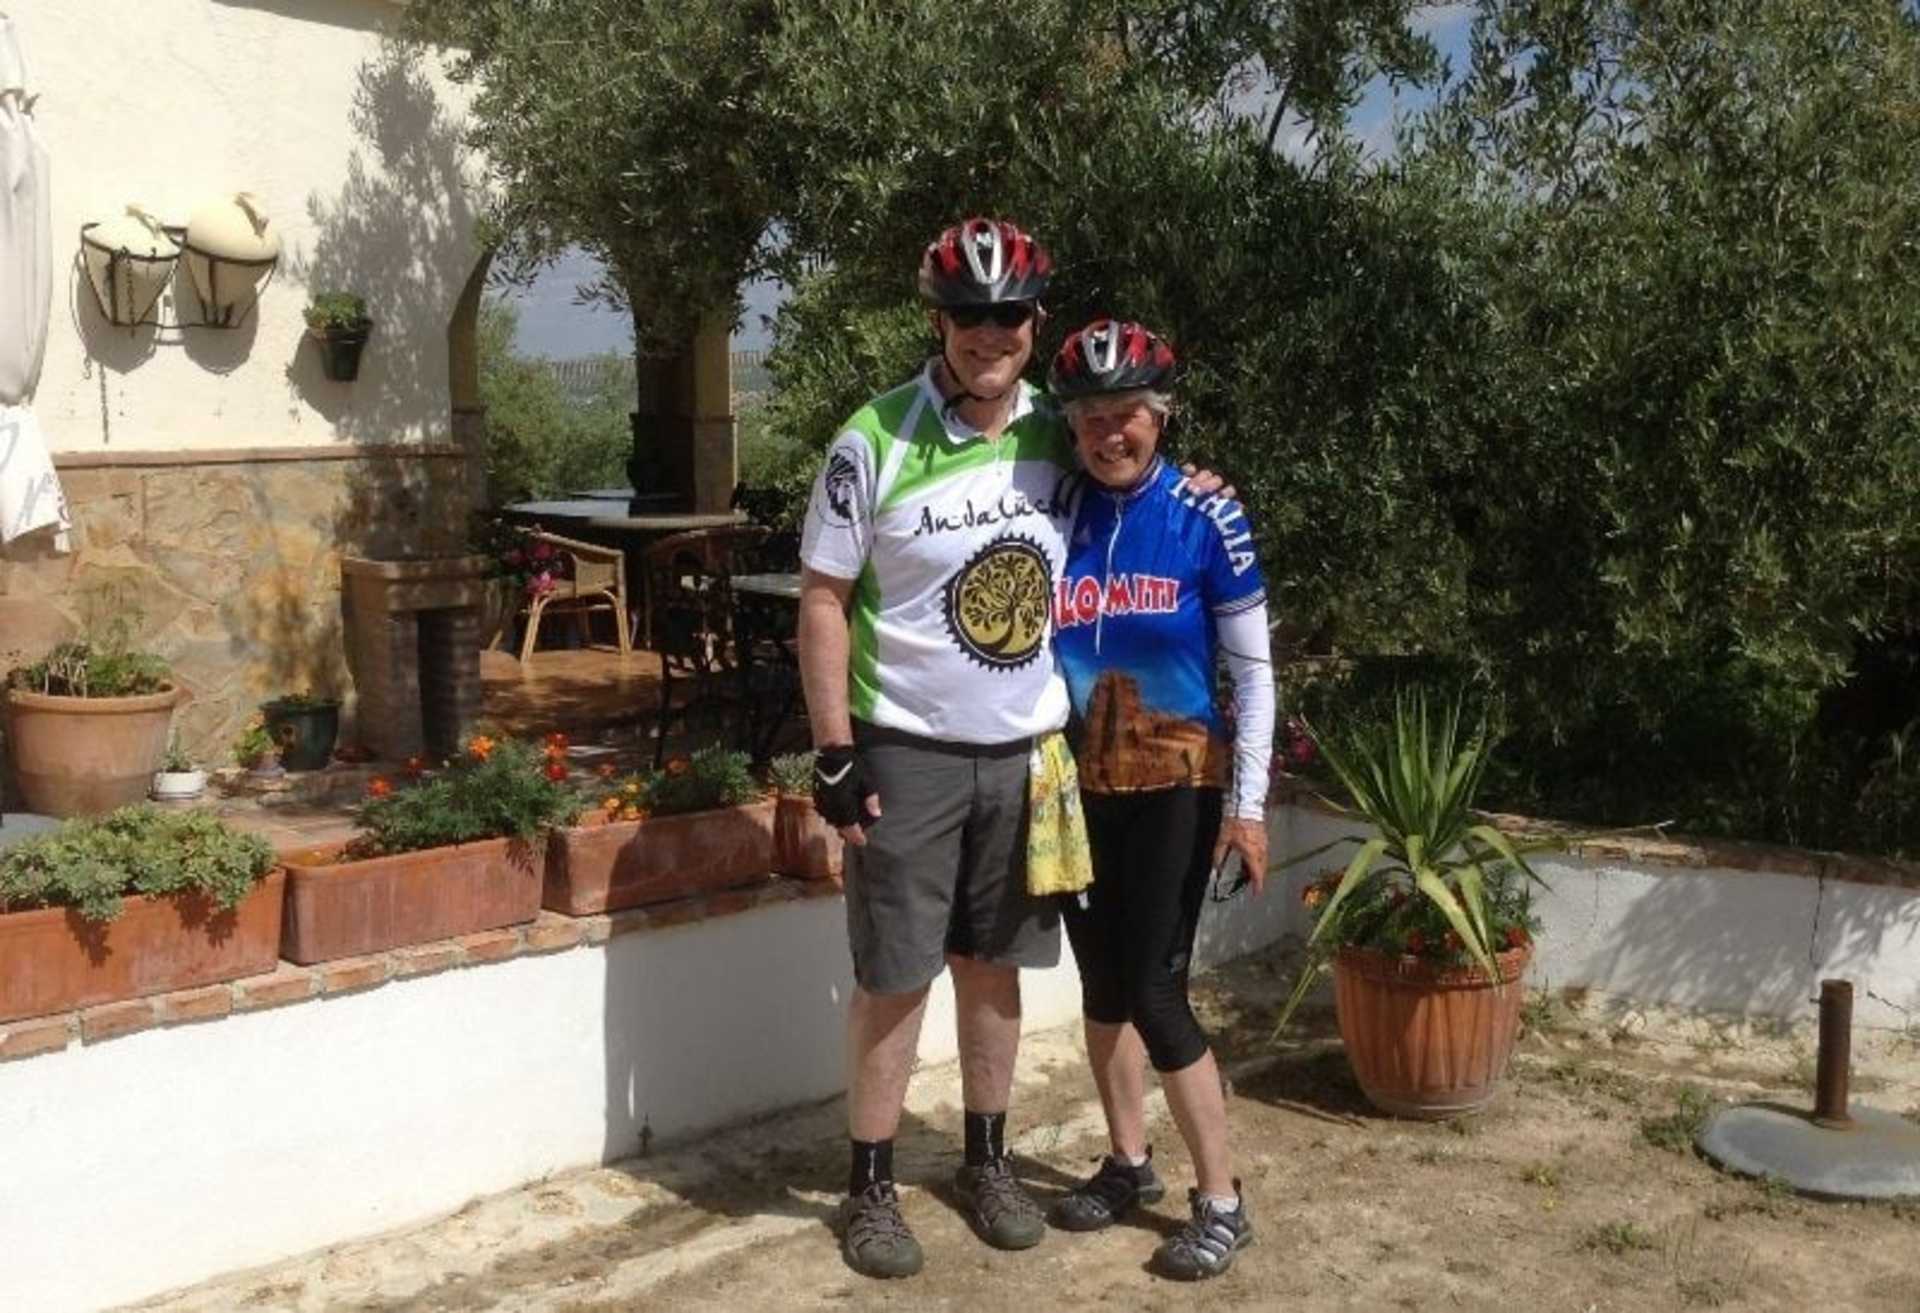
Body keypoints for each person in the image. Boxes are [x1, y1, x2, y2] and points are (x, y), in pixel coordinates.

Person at [796, 217, 1076, 1280]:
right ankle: (867, 1184)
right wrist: (833, 750)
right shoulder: (874, 435)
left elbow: (1144, 490)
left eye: (1007, 314)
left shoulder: (1064, 430)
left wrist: (1209, 494)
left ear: (1035, 323)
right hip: (905, 748)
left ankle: (986, 1160)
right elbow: (823, 597)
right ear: (938, 321)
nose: (987, 334)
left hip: (1023, 750)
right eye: (968, 315)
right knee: (897, 975)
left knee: (995, 968)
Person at [1045, 318, 1274, 1280]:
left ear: (1161, 416)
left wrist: (1250, 805)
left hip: (1178, 782)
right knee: (1100, 988)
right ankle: (1128, 1161)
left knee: (1155, 989)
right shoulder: (1056, 509)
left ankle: (1222, 1198)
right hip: (1078, 782)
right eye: (1091, 416)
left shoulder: (1206, 512)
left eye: (1127, 414)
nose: (1110, 433)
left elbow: (1254, 671)